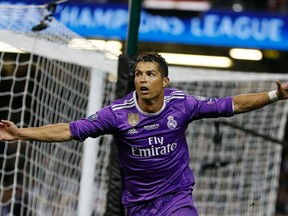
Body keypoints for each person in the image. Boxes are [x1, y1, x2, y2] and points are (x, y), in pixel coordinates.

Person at [0, 51, 288, 215]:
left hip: (176, 197)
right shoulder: (117, 114)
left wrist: (276, 94)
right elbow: (69, 130)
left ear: (164, 80)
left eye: (150, 74)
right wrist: (20, 133)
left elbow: (234, 104)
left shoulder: (182, 104)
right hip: (138, 205)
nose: (142, 79)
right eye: (138, 74)